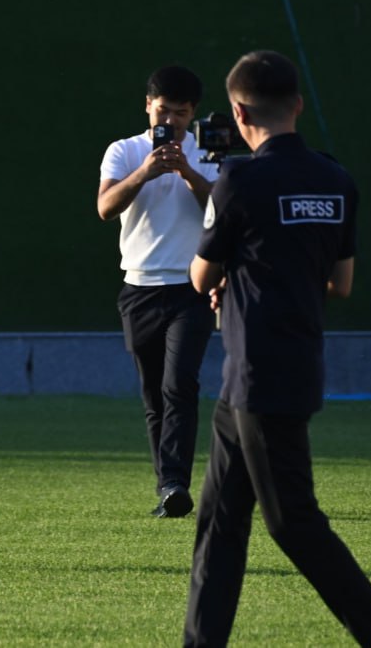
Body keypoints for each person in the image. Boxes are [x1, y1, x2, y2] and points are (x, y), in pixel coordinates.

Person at [183, 51, 371, 646]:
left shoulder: (239, 180)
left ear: (238, 112)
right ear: (298, 105)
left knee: (293, 523)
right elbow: (341, 283)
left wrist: (232, 275)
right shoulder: (336, 179)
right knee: (220, 521)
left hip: (259, 374)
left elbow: (201, 278)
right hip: (283, 368)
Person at [98, 66, 219, 518]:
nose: (170, 121)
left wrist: (188, 172)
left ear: (193, 113)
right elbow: (105, 207)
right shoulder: (124, 151)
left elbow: (224, 209)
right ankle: (167, 486)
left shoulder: (208, 151)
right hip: (140, 287)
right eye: (163, 110)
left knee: (180, 384)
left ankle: (175, 484)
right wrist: (145, 172)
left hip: (192, 287)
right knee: (154, 394)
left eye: (181, 113)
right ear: (148, 106)